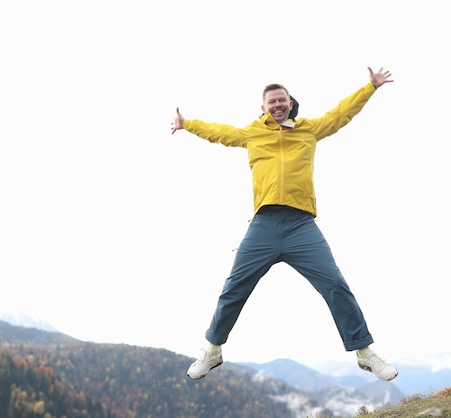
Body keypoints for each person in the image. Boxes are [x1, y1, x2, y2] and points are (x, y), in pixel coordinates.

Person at [170, 67, 397, 382]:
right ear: (263, 107)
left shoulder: (309, 129)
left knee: (335, 285)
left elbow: (341, 114)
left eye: (282, 100)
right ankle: (212, 350)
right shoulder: (252, 133)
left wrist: (370, 87)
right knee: (234, 288)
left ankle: (364, 352)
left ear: (290, 103)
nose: (277, 104)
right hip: (264, 224)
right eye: (271, 101)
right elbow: (220, 133)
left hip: (301, 225)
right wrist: (188, 124)